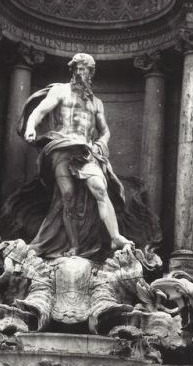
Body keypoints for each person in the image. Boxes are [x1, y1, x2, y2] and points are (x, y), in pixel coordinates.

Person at [21, 52, 133, 257]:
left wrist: (101, 143)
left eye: (85, 69)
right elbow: (39, 111)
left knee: (100, 188)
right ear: (72, 70)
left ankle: (115, 236)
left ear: (91, 73)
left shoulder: (97, 103)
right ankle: (74, 245)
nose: (80, 73)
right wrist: (31, 127)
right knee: (68, 196)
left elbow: (105, 131)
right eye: (77, 68)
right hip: (62, 147)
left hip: (85, 151)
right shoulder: (60, 91)